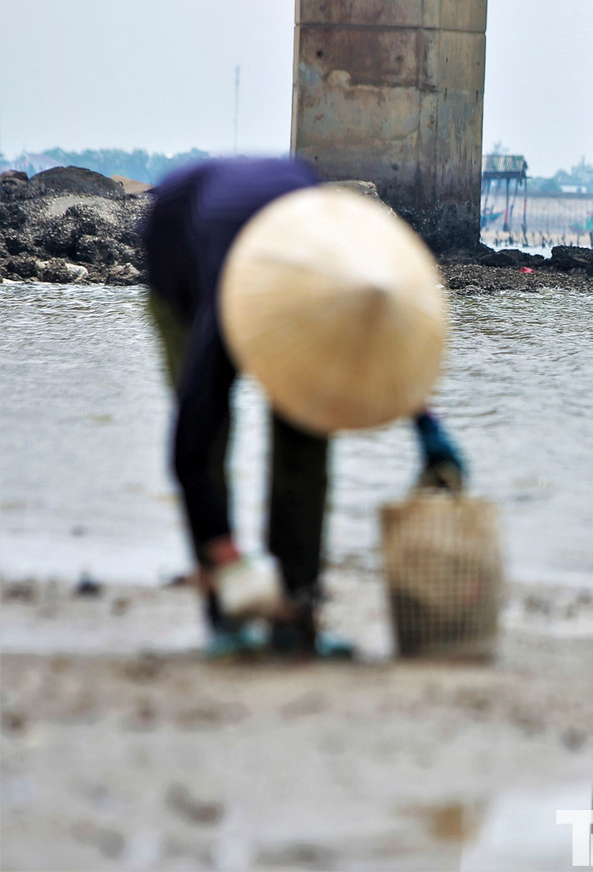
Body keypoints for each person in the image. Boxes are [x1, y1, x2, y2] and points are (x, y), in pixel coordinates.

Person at [142, 157, 466, 657]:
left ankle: (296, 610)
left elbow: (382, 341)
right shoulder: (226, 303)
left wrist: (424, 419)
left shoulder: (341, 257)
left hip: (268, 236)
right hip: (181, 257)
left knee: (308, 420)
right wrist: (228, 557)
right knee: (211, 436)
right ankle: (228, 608)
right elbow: (186, 449)